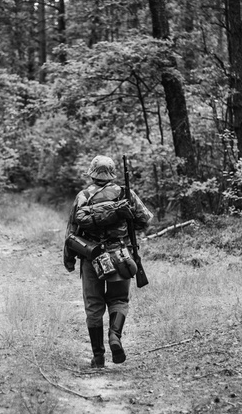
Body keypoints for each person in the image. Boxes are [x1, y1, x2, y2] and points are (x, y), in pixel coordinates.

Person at [63, 155, 153, 368]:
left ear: (92, 173)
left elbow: (71, 232)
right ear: (112, 173)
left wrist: (69, 260)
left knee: (93, 307)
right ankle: (115, 337)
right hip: (120, 256)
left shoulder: (83, 196)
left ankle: (98, 356)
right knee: (119, 300)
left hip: (91, 257)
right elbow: (145, 220)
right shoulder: (125, 193)